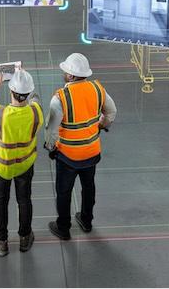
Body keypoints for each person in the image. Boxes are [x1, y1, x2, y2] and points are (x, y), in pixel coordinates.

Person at [45, 53, 117, 240]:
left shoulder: (60, 98)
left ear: (70, 75)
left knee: (64, 192)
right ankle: (86, 220)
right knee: (88, 187)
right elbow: (111, 113)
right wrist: (100, 125)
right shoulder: (97, 89)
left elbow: (52, 130)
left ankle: (63, 228)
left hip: (67, 156)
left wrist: (51, 147)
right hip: (91, 152)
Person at [0, 66, 43, 257]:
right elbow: (35, 98)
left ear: (11, 91)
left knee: (1, 202)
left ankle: (1, 241)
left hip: (2, 166)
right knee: (24, 200)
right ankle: (25, 237)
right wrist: (25, 78)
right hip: (25, 165)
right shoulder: (36, 112)